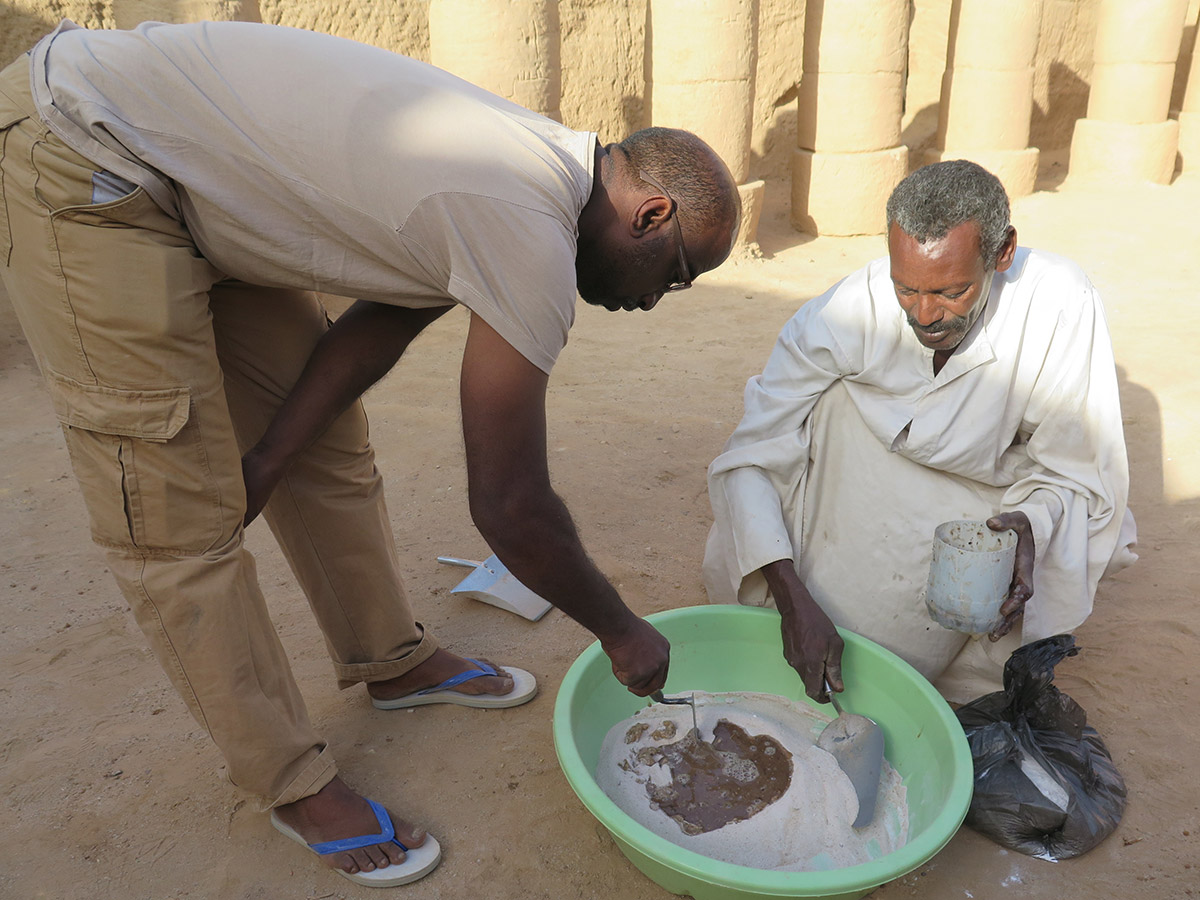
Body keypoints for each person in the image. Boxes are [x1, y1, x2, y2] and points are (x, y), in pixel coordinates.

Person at [0, 19, 741, 888]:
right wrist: (621, 631)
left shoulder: (539, 174)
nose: (658, 301)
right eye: (679, 275)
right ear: (651, 215)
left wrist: (271, 454)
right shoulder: (525, 220)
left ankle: (390, 662)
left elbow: (388, 313)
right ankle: (290, 781)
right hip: (93, 152)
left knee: (322, 442)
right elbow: (508, 503)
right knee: (177, 523)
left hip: (200, 187)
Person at [703, 159, 1135, 707]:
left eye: (952, 291)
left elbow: (1080, 470)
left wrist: (1033, 525)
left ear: (1002, 254)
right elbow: (751, 453)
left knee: (954, 666)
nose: (925, 314)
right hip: (854, 475)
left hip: (984, 496)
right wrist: (792, 601)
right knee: (814, 418)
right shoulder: (846, 313)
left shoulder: (1059, 307)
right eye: (905, 288)